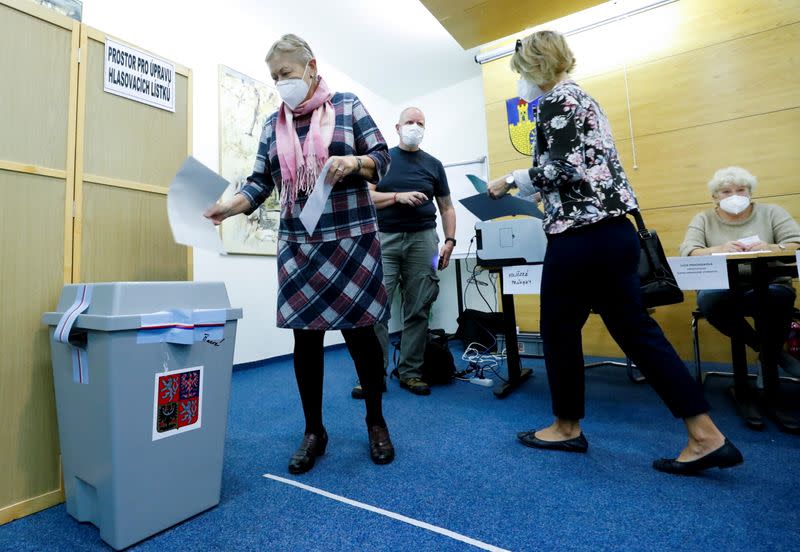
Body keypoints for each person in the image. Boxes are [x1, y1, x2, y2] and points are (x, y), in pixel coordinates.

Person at [488, 30, 743, 475]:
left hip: (582, 238)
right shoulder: (587, 100)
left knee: (558, 329)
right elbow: (586, 170)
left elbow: (564, 168)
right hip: (613, 234)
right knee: (637, 332)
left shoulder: (555, 101)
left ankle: (567, 427)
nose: (520, 83)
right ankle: (705, 434)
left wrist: (511, 180)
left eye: (520, 72)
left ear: (535, 67)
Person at [204, 34, 394, 474]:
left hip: (352, 240)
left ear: (310, 66)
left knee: (361, 336)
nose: (280, 84)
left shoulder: (348, 106)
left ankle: (376, 421)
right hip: (300, 244)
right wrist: (227, 208)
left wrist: (354, 163)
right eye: (274, 78)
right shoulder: (274, 124)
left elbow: (382, 158)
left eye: (285, 74)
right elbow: (258, 183)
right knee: (305, 340)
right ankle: (314, 431)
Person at [351, 107, 456, 398]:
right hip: (384, 239)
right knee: (376, 309)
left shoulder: (434, 165)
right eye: (409, 122)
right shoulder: (383, 161)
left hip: (425, 241)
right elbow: (366, 197)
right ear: (397, 127)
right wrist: (398, 196)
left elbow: (446, 207)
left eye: (420, 123)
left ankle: (411, 373)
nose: (414, 126)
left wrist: (449, 241)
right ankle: (374, 376)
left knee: (419, 307)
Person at [680, 166, 800, 377]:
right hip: (721, 287)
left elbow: (796, 243)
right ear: (715, 197)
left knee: (777, 298)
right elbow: (689, 251)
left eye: (741, 190)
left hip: (771, 283)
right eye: (726, 192)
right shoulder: (704, 219)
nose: (734, 196)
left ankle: (769, 359)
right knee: (709, 300)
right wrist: (720, 249)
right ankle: (770, 353)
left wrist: (770, 247)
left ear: (750, 192)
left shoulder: (771, 212)